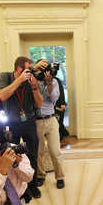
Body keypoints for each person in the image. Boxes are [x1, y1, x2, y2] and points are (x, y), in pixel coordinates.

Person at [0, 56, 48, 199]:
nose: (31, 72)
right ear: (20, 69)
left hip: (29, 122)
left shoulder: (30, 80)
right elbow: (2, 96)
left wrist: (34, 86)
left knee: (32, 154)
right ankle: (18, 186)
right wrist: (19, 80)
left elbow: (39, 104)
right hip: (11, 123)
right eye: (28, 69)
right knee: (13, 155)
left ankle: (32, 185)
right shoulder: (5, 76)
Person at [34, 59, 65, 189]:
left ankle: (60, 177)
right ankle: (41, 176)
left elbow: (54, 98)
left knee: (55, 151)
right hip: (36, 121)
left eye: (46, 68)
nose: (44, 71)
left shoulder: (54, 81)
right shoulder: (32, 79)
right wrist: (35, 73)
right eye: (41, 68)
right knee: (39, 152)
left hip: (51, 119)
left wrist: (49, 82)